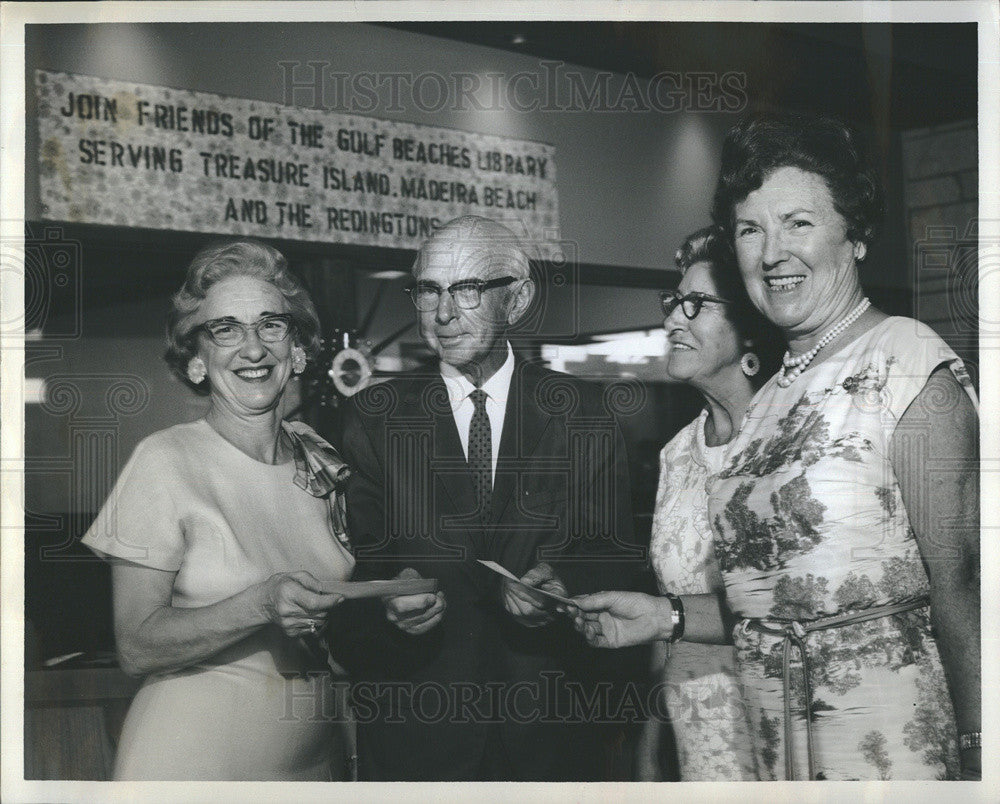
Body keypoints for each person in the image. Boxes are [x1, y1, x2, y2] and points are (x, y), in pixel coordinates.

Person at [573, 113, 980, 781]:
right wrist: (664, 614)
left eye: (799, 222)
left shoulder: (906, 365)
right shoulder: (769, 403)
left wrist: (980, 754)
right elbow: (771, 600)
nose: (771, 252)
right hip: (770, 752)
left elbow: (965, 587)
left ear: (856, 236)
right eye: (751, 229)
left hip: (890, 753)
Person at [332, 215, 642, 781]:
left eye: (467, 290)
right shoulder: (373, 419)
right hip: (419, 744)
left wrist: (560, 579)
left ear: (517, 300)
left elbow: (616, 554)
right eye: (428, 291)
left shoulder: (582, 412)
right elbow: (351, 578)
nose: (443, 314)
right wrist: (387, 602)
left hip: (552, 741)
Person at [82, 239, 356, 780]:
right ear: (196, 359)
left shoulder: (319, 458)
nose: (252, 348)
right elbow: (135, 645)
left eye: (270, 325)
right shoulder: (165, 461)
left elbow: (330, 618)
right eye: (225, 329)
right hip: (191, 767)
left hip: (312, 766)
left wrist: (392, 609)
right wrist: (258, 604)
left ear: (297, 349)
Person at [633, 226, 781, 782]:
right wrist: (649, 748)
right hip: (697, 743)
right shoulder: (676, 455)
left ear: (750, 331)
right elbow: (665, 612)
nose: (673, 319)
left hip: (780, 736)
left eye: (695, 305)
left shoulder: (787, 443)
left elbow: (786, 605)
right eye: (674, 302)